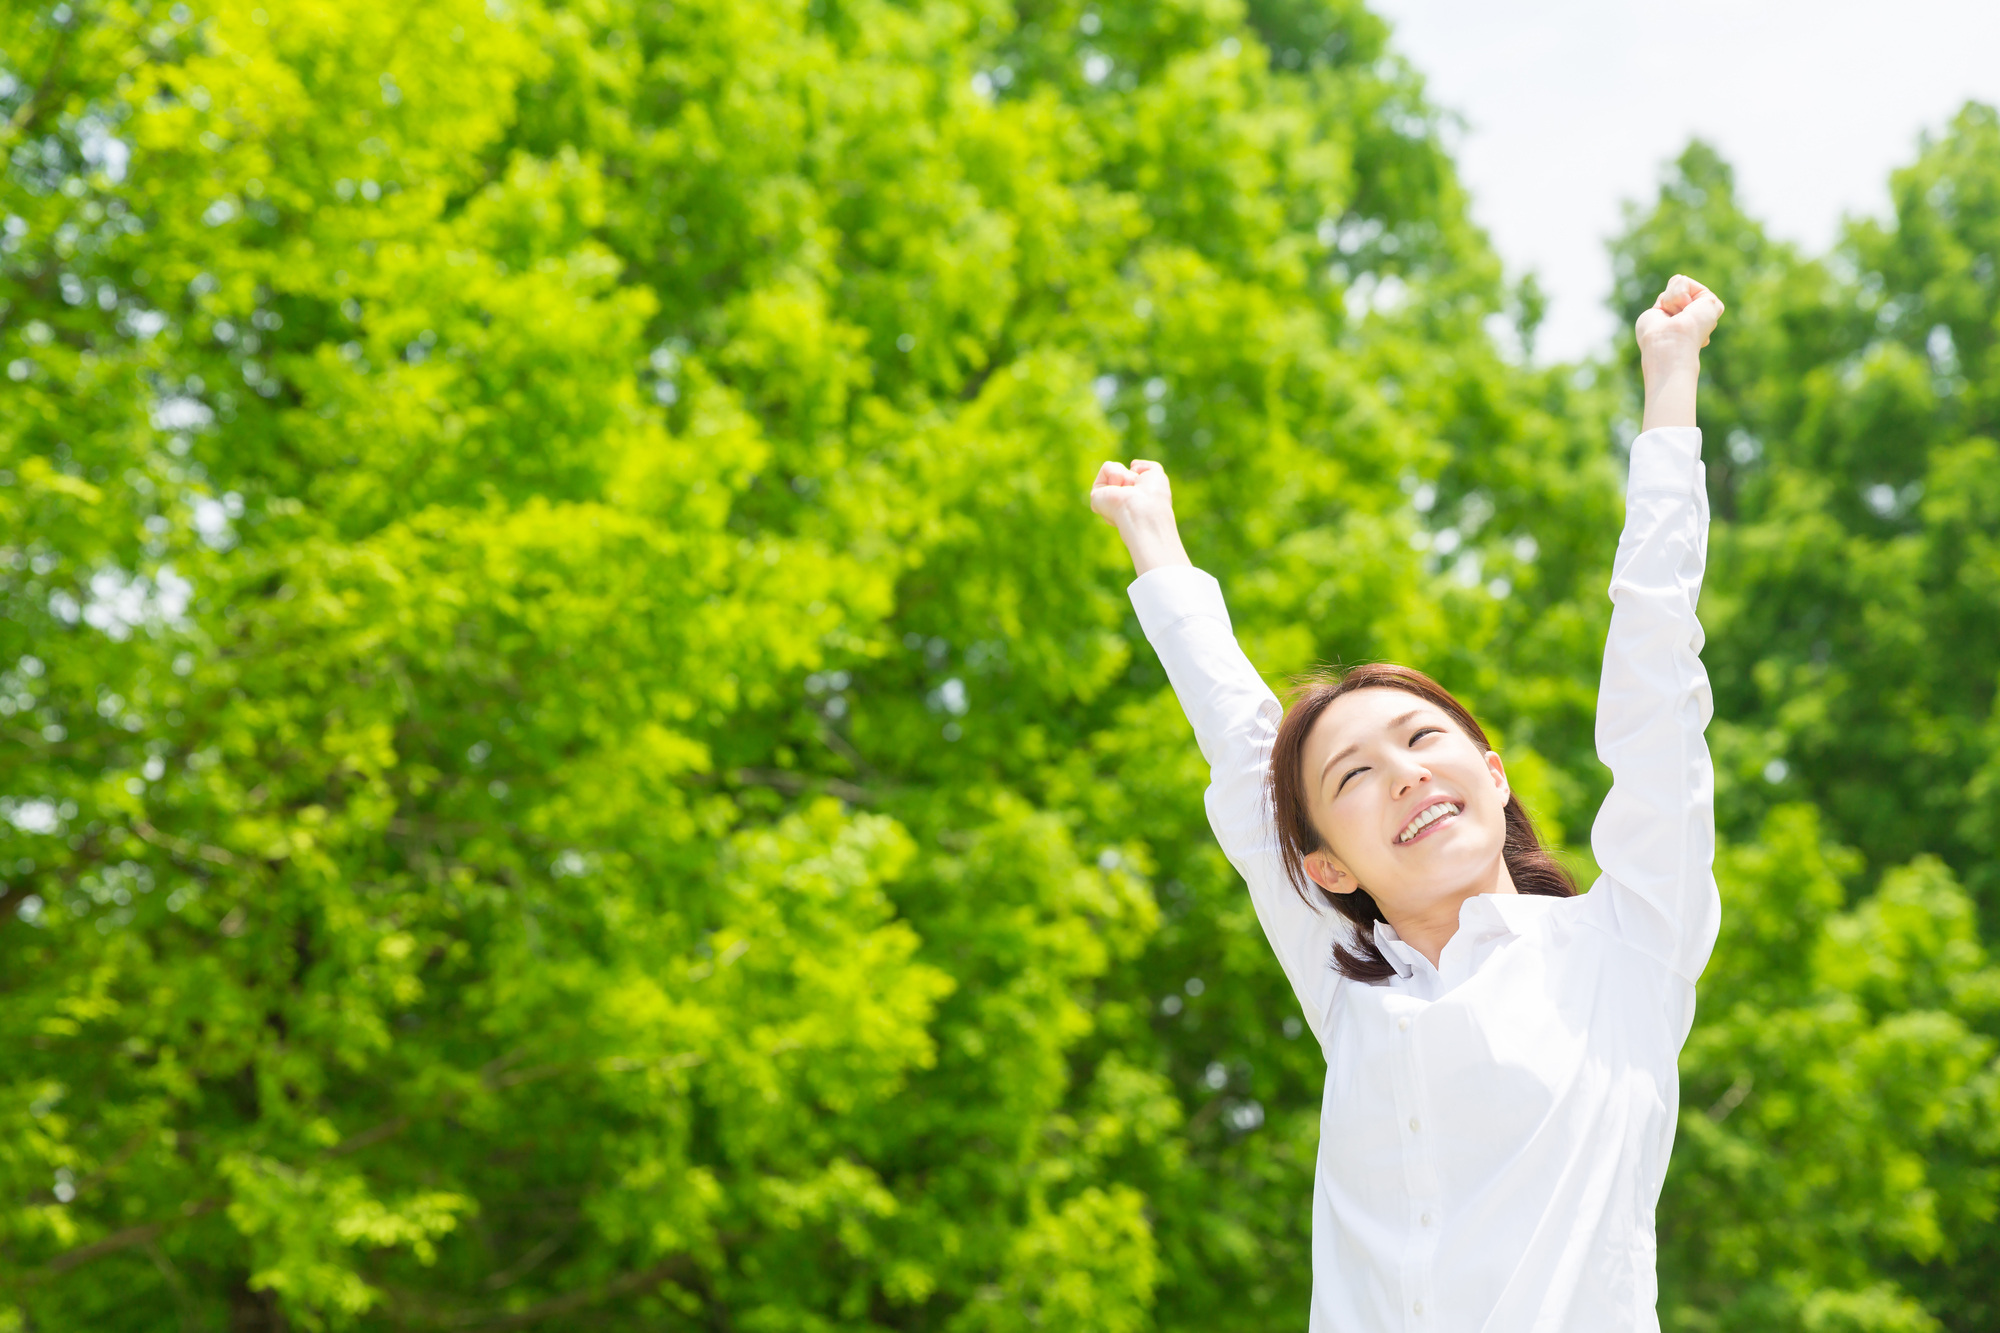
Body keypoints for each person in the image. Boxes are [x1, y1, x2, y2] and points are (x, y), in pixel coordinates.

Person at [1088, 275, 1727, 1331]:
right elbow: (1249, 763)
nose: (1403, 773)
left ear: (1492, 772)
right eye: (1352, 776)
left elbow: (1657, 673)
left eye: (1424, 739)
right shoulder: (1351, 996)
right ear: (1327, 866)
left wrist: (1669, 383)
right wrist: (1154, 547)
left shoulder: (1626, 948)